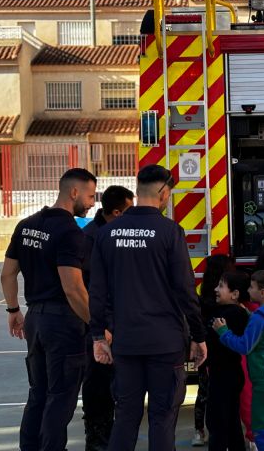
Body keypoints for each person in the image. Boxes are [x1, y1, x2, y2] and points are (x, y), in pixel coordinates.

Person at [88, 164, 207, 451]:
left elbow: (97, 291)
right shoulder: (170, 232)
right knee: (162, 417)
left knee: (126, 416)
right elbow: (184, 289)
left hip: (125, 342)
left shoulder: (107, 233)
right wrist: (199, 335)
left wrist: (97, 336)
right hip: (164, 342)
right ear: (164, 192)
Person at [0, 168, 96, 451]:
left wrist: (13, 310)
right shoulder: (69, 232)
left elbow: (7, 274)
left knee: (38, 393)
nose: (92, 203)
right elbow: (73, 288)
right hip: (63, 324)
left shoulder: (26, 224)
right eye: (90, 196)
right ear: (74, 192)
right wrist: (97, 325)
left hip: (35, 320)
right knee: (61, 397)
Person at [81, 185, 134, 451]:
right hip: (99, 325)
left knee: (113, 384)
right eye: (128, 210)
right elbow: (94, 289)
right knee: (98, 384)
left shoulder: (110, 233)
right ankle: (98, 440)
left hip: (114, 322)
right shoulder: (94, 237)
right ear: (116, 212)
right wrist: (101, 328)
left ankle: (107, 436)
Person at [213, 270, 264, 451]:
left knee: (261, 431)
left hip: (263, 380)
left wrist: (223, 332)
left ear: (263, 292)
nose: (248, 290)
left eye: (252, 287)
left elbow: (244, 346)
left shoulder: (259, 318)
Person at [192, 255, 236, 447]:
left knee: (203, 391)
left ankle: (199, 431)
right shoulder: (228, 297)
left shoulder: (204, 296)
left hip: (206, 347)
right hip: (226, 348)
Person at [206, 271, 251, 451]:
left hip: (223, 375)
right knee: (231, 422)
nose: (216, 289)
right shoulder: (237, 312)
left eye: (221, 286)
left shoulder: (230, 314)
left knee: (217, 422)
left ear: (235, 294)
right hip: (230, 374)